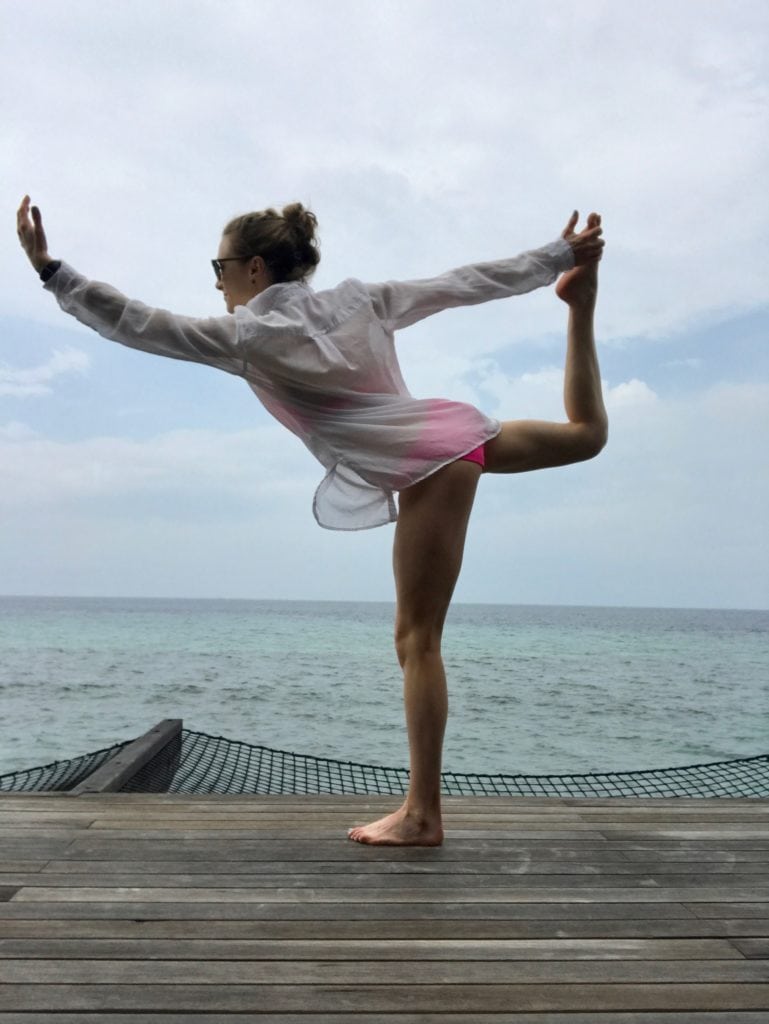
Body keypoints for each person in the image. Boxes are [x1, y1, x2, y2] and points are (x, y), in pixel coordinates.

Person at [16, 194, 607, 846]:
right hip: (451, 434)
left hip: (430, 462)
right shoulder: (361, 299)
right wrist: (557, 257)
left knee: (417, 641)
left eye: (219, 266)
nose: (214, 282)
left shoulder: (247, 338)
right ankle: (579, 305)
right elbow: (463, 284)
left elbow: (137, 322)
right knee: (585, 436)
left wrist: (52, 272)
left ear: (255, 268)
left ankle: (421, 814)